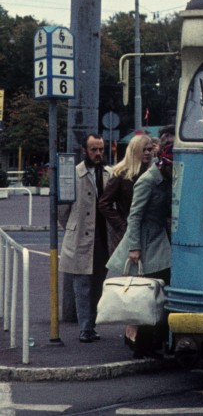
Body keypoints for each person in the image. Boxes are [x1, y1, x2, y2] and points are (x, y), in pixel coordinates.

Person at [107, 143, 173, 357]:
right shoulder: (148, 181)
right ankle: (143, 344)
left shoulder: (165, 179)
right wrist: (134, 248)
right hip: (146, 243)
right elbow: (135, 216)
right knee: (147, 294)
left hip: (158, 239)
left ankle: (151, 341)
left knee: (158, 291)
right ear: (163, 164)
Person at [58, 134, 112, 342]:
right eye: (93, 150)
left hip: (103, 238)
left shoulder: (109, 174)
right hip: (80, 237)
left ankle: (92, 325)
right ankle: (85, 328)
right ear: (84, 151)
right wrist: (73, 226)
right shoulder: (74, 174)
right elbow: (62, 210)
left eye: (101, 149)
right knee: (82, 286)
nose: (98, 153)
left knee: (98, 283)